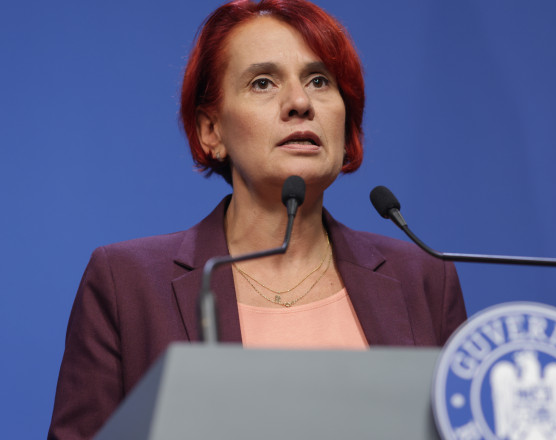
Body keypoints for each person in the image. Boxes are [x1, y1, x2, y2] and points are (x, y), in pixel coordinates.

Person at [48, 0, 467, 438]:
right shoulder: (127, 284)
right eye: (263, 82)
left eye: (319, 81)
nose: (300, 102)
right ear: (211, 131)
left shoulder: (424, 280)